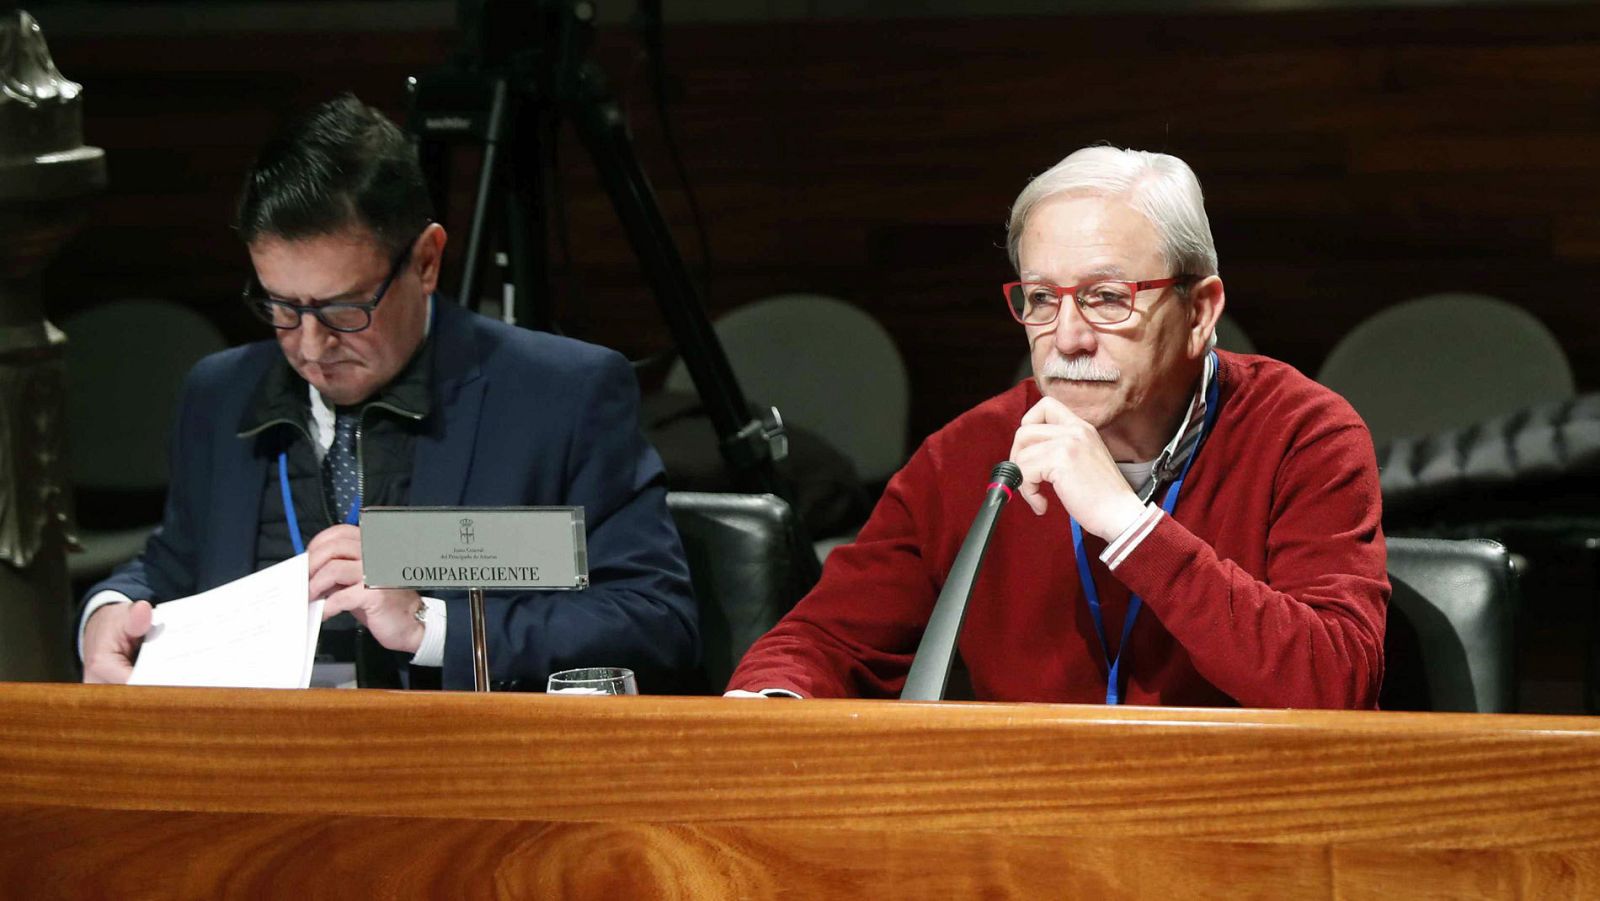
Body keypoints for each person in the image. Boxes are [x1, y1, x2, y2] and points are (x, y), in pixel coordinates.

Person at [727, 146, 1388, 708]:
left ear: (1200, 311)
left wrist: (1128, 525)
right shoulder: (970, 453)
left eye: (1106, 297)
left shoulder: (1305, 435)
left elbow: (1335, 679)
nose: (1067, 337)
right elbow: (823, 639)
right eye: (1041, 298)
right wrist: (768, 704)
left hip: (1241, 829)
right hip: (1030, 834)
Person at [78, 94, 698, 691]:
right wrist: (111, 610)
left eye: (345, 308)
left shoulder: (559, 397)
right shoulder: (219, 394)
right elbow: (173, 563)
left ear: (426, 261)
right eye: (282, 306)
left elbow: (654, 621)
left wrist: (435, 626)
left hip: (455, 764)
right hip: (253, 757)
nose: (312, 346)